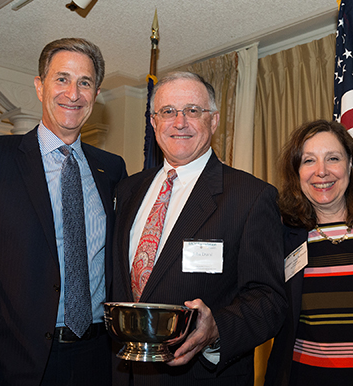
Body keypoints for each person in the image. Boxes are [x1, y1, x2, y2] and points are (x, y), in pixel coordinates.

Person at [0, 38, 127, 386]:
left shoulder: (111, 169)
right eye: (61, 79)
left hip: (100, 358)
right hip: (13, 361)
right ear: (40, 86)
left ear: (95, 94)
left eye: (85, 82)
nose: (73, 93)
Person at [111, 71, 286, 385]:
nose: (180, 122)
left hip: (200, 376)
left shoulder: (251, 196)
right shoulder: (127, 191)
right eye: (168, 112)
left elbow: (269, 300)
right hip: (125, 375)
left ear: (214, 121)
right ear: (153, 122)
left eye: (193, 110)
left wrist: (216, 328)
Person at [264, 120, 353, 385]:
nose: (321, 172)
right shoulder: (281, 235)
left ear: (351, 165)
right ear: (296, 171)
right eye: (309, 161)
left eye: (333, 158)